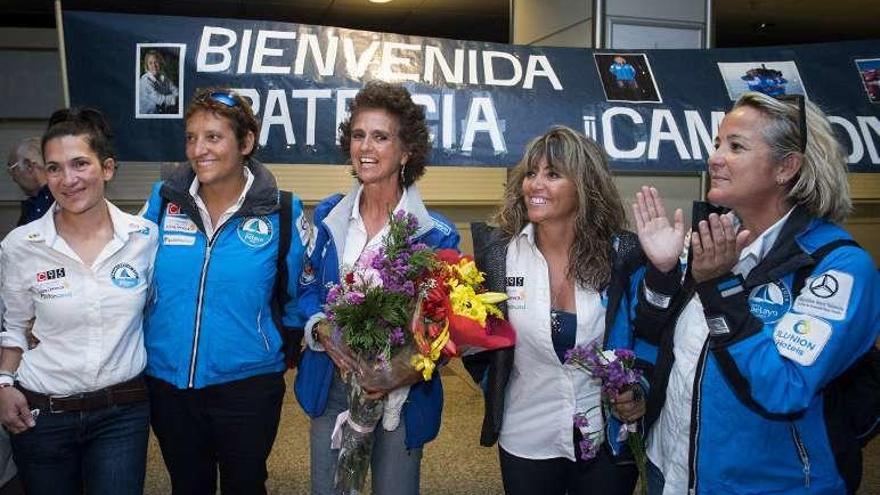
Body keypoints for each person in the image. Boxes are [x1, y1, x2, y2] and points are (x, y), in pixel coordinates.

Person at [641, 92, 880, 494]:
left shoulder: (837, 268)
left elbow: (783, 390)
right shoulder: (714, 239)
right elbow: (659, 339)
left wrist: (720, 287)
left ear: (787, 167)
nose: (715, 157)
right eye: (717, 143)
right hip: (670, 469)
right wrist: (664, 275)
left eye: (735, 146)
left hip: (767, 484)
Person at [465, 126, 684, 495]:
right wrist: (497, 388)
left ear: (584, 185)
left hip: (607, 438)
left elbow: (652, 333)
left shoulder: (623, 254)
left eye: (552, 174)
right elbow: (476, 343)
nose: (535, 184)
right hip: (526, 432)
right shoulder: (499, 256)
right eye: (531, 173)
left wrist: (638, 390)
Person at [294, 81, 460, 495]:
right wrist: (320, 328)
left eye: (380, 136)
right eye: (358, 134)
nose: (365, 146)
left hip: (401, 393)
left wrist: (402, 369)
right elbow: (308, 287)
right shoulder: (331, 215)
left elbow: (446, 326)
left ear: (406, 152)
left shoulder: (435, 235)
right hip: (333, 383)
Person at [140, 88, 308, 494]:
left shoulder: (282, 211)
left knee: (246, 485)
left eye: (213, 137)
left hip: (248, 384)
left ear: (246, 143)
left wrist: (281, 342)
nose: (199, 150)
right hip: (169, 382)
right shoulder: (163, 203)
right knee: (188, 485)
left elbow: (296, 292)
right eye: (192, 137)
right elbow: (130, 274)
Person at [0, 107, 158, 494]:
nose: (67, 179)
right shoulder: (21, 246)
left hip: (121, 415)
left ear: (107, 168)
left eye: (80, 164)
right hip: (42, 416)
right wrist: (3, 385)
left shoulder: (144, 239)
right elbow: (14, 327)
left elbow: (157, 310)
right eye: (54, 168)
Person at [6, 137, 53, 226]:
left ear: (29, 166)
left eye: (12, 169)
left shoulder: (63, 200)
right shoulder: (32, 205)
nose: (13, 178)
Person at [138, 49, 179, 114]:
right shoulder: (145, 80)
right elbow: (160, 100)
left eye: (156, 62)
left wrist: (176, 96)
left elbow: (175, 90)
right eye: (150, 63)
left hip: (162, 112)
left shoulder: (163, 77)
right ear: (147, 65)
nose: (154, 65)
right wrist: (177, 98)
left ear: (160, 63)